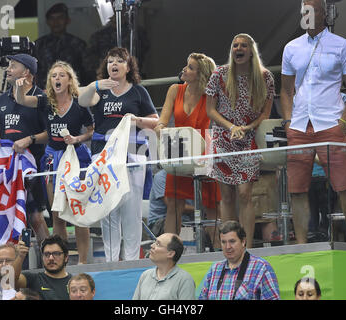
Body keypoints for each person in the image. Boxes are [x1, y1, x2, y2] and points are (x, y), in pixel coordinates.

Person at [280, 0, 346, 243]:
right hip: (299, 126)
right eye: (303, 10)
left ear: (323, 13)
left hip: (330, 125)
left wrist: (343, 121)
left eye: (311, 9)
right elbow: (285, 90)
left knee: (344, 186)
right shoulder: (291, 47)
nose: (306, 14)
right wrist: (287, 122)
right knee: (296, 190)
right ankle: (302, 245)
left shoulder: (341, 45)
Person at [78, 47, 159, 262]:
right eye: (110, 61)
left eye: (119, 61)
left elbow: (156, 120)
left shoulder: (139, 91)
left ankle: (131, 262)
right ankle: (111, 262)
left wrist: (136, 120)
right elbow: (82, 101)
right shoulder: (100, 90)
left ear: (128, 66)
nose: (113, 64)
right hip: (102, 154)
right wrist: (95, 85)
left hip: (133, 152)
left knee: (131, 211)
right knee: (108, 209)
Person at [15, 60, 94, 264]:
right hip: (52, 158)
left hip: (76, 157)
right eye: (53, 75)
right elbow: (22, 100)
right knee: (57, 213)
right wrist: (19, 87)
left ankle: (83, 262)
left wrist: (77, 139)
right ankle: (62, 261)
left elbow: (92, 130)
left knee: (78, 213)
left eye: (61, 75)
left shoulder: (79, 103)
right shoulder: (45, 101)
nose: (57, 78)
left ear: (69, 80)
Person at [205, 34, 275, 248]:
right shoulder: (219, 74)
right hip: (223, 137)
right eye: (235, 45)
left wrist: (248, 128)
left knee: (245, 194)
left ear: (251, 50)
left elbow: (266, 112)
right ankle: (229, 244)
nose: (238, 48)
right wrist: (231, 127)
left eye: (243, 45)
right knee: (226, 196)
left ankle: (248, 246)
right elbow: (210, 109)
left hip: (248, 139)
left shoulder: (265, 77)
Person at [154, 53, 221, 247]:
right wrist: (160, 128)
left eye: (190, 67)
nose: (185, 69)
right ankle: (167, 249)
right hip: (180, 148)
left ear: (201, 75)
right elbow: (163, 120)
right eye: (187, 65)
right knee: (174, 203)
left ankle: (218, 249)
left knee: (212, 205)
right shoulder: (175, 90)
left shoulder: (211, 95)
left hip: (204, 150)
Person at [0, 53, 50, 245]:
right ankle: (13, 266)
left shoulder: (41, 98)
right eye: (9, 65)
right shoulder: (2, 100)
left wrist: (30, 140)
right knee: (8, 214)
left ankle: (50, 259)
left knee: (36, 218)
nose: (8, 69)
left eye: (13, 66)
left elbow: (51, 133)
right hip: (8, 168)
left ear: (27, 72)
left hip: (35, 167)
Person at [199, 221, 280, 300]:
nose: (228, 247)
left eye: (232, 241)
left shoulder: (261, 268)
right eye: (223, 242)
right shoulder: (214, 269)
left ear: (243, 241)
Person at [33, 3, 92, 89]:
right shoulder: (39, 44)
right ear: (47, 22)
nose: (56, 22)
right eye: (52, 18)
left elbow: (87, 72)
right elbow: (34, 72)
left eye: (60, 18)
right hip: (46, 93)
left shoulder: (78, 44)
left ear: (68, 20)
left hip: (73, 92)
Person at [133, 233, 195, 300]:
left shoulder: (184, 280)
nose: (152, 246)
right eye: (154, 242)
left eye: (158, 244)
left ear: (170, 254)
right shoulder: (145, 275)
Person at [16, 234, 72, 300]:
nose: (51, 258)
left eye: (56, 254)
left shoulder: (74, 282)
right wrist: (19, 256)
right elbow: (10, 281)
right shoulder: (33, 279)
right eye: (47, 254)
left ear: (66, 257)